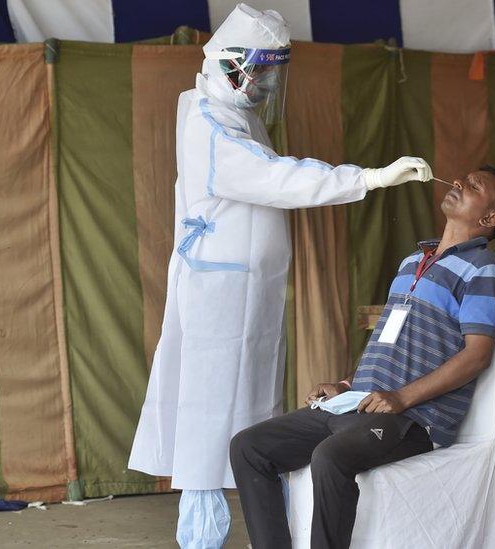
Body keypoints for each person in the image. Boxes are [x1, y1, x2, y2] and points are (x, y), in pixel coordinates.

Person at [126, 5, 433, 548]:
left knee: (250, 419)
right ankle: (200, 537)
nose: (268, 81)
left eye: (273, 70)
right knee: (207, 419)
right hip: (219, 297)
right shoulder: (207, 120)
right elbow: (275, 178)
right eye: (262, 69)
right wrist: (367, 178)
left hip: (247, 294)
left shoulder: (237, 112)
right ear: (231, 64)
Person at [229, 166, 495, 549]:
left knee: (330, 457)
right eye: (462, 177)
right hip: (360, 406)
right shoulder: (410, 263)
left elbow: (477, 356)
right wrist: (347, 385)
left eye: (474, 185)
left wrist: (402, 398)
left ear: (490, 219)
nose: (458, 182)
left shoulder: (485, 270)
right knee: (249, 447)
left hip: (414, 420)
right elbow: (387, 343)